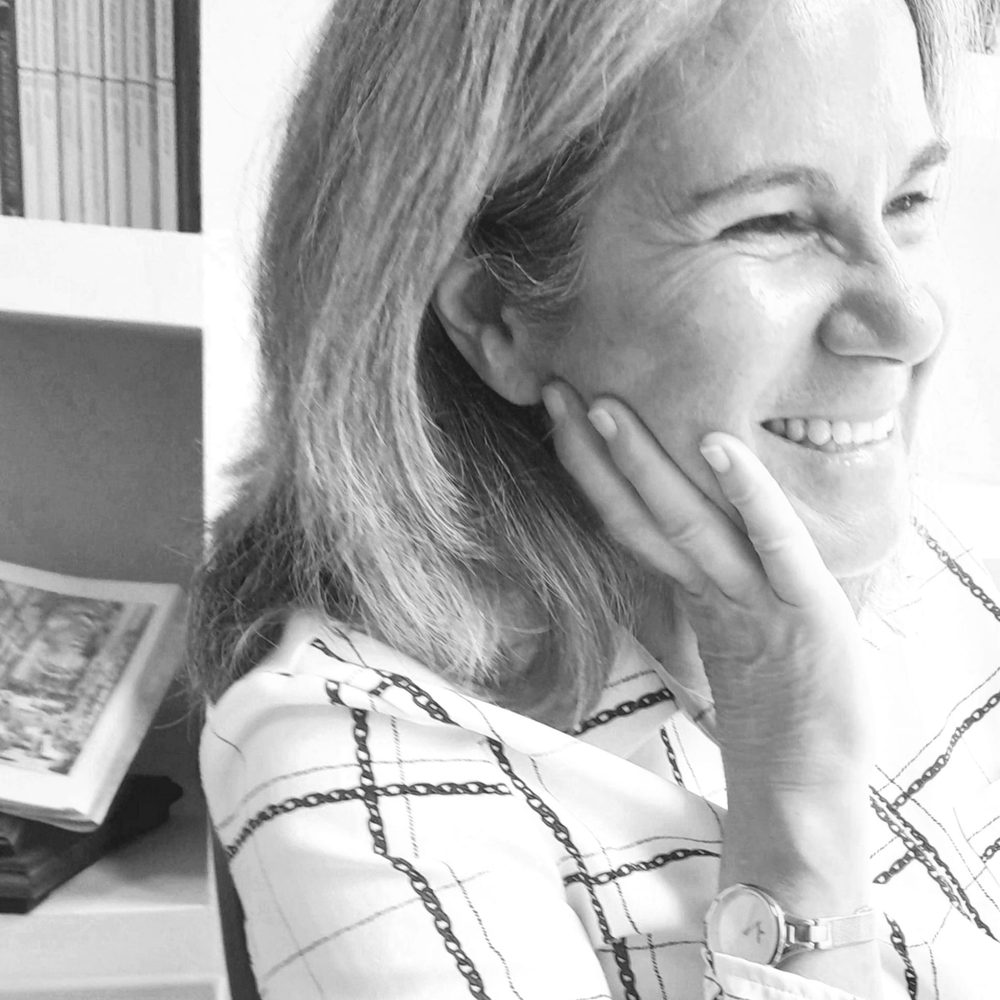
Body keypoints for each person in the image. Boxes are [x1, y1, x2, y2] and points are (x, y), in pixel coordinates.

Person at [191, 1, 1000, 997]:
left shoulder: (950, 554)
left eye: (909, 200)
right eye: (775, 222)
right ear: (499, 313)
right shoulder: (360, 760)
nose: (911, 320)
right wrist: (796, 810)